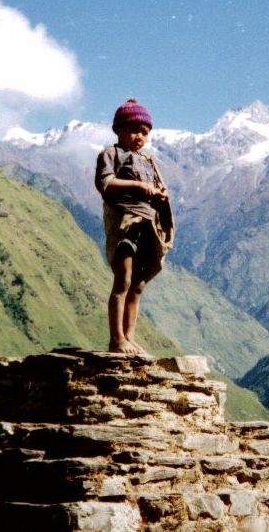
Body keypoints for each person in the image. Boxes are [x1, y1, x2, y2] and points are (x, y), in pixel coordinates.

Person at [94, 99, 175, 355]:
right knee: (123, 280)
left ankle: (129, 337)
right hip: (125, 224)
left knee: (138, 284)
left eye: (144, 132)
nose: (139, 137)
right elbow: (105, 183)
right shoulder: (110, 154)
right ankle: (116, 339)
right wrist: (139, 188)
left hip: (147, 227)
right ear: (118, 130)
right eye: (134, 130)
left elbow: (159, 191)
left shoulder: (148, 161)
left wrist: (159, 196)